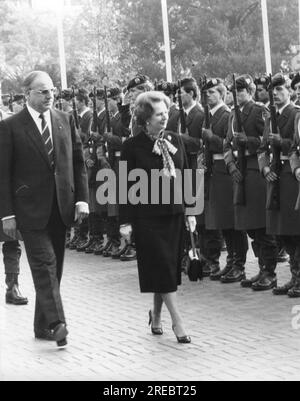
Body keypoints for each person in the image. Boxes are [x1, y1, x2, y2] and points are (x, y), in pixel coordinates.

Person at [0, 71, 89, 347]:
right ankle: (58, 324)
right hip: (28, 210)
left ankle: (42, 325)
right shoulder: (11, 126)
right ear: (27, 94)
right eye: (42, 91)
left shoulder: (64, 119)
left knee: (55, 270)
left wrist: (82, 199)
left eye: (52, 91)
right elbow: (3, 174)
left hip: (61, 208)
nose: (50, 96)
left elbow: (78, 163)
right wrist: (7, 214)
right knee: (44, 264)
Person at [119, 91, 197, 343]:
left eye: (166, 113)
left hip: (173, 213)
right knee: (161, 265)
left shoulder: (175, 139)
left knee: (167, 268)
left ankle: (155, 316)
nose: (165, 118)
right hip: (146, 216)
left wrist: (191, 211)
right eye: (159, 114)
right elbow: (124, 186)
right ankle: (178, 321)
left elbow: (186, 174)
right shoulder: (131, 146)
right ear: (145, 119)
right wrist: (125, 222)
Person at [224, 75, 278, 290]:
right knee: (251, 228)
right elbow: (226, 144)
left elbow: (268, 141)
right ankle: (262, 267)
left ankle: (269, 272)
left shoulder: (258, 111)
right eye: (235, 91)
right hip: (241, 170)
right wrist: (231, 166)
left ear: (251, 90)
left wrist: (250, 142)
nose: (238, 95)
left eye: (241, 90)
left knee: (261, 226)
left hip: (255, 169)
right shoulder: (232, 115)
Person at [201, 78, 248, 281]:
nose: (208, 95)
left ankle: (239, 263)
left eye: (212, 92)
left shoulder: (228, 115)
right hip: (213, 170)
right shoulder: (208, 116)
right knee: (223, 221)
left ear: (221, 94)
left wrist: (211, 138)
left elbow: (232, 146)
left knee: (233, 221)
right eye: (206, 93)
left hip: (225, 169)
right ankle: (231, 260)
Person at [258, 73, 300, 297]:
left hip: (290, 175)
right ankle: (295, 276)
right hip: (275, 174)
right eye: (273, 90)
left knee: (295, 229)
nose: (275, 93)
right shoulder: (270, 116)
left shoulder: (295, 114)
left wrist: (280, 143)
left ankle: (298, 276)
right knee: (282, 231)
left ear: (290, 92)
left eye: (280, 89)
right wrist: (264, 168)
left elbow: (295, 145)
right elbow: (261, 148)